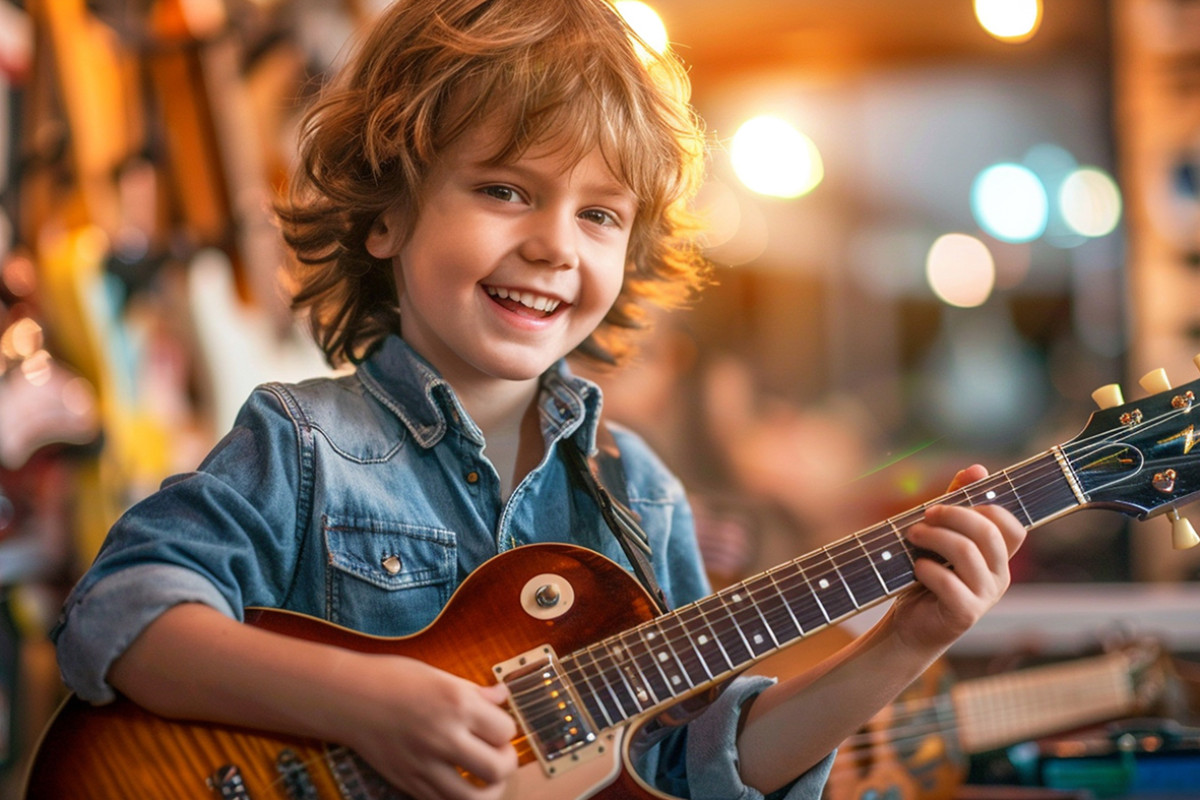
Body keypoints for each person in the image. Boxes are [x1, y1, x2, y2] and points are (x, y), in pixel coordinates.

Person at [50, 1, 1027, 798]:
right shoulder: (309, 442)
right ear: (387, 216)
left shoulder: (635, 496)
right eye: (507, 191)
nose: (557, 244)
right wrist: (368, 703)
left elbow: (691, 767)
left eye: (599, 213)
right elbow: (120, 618)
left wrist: (905, 640)